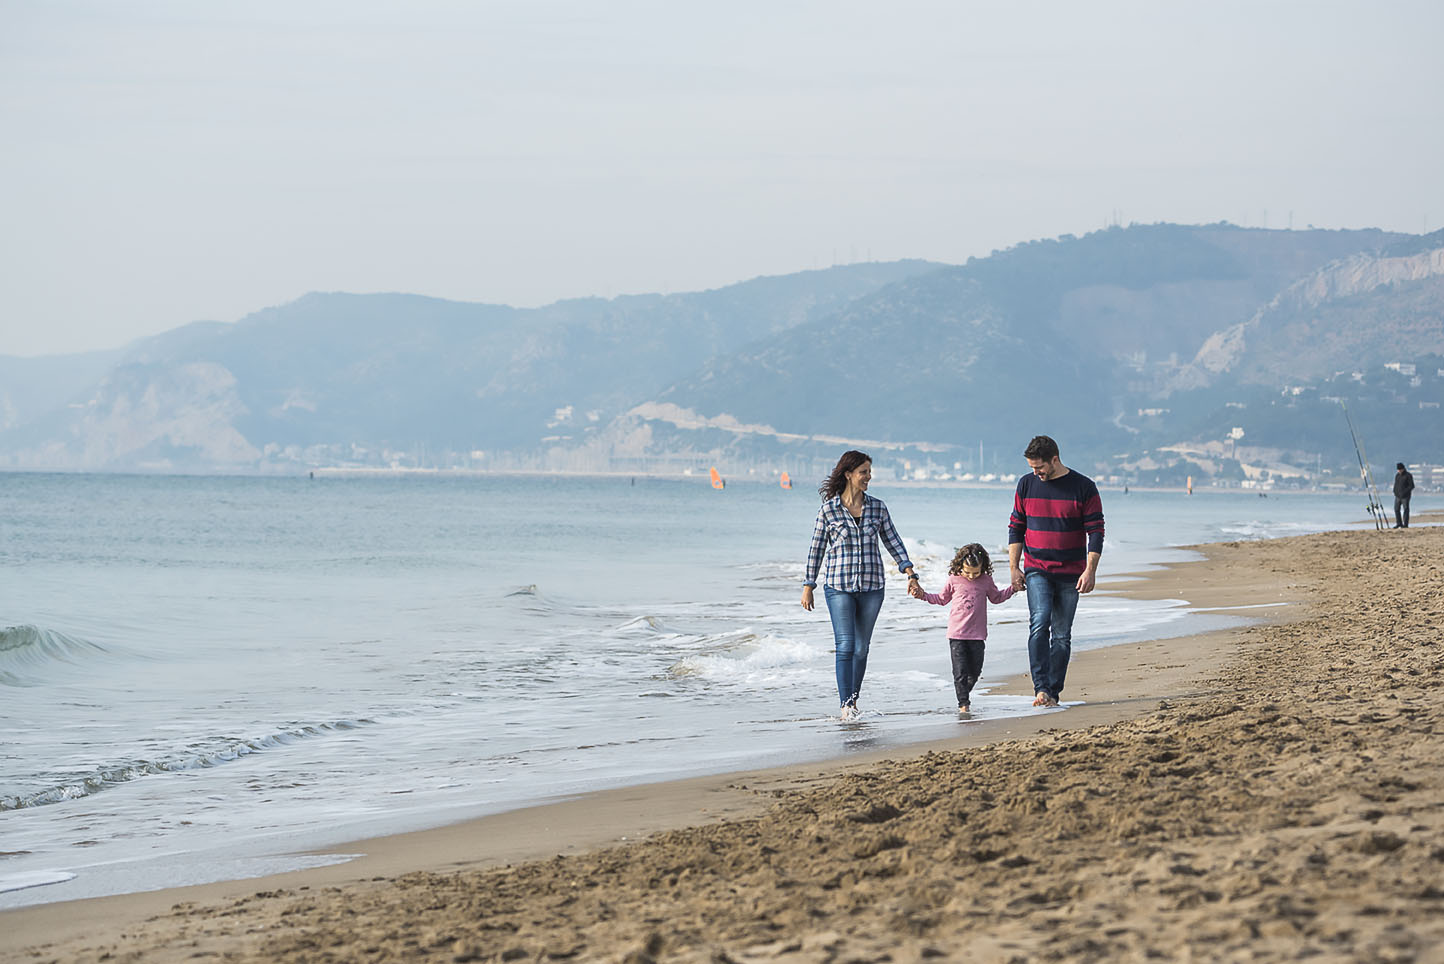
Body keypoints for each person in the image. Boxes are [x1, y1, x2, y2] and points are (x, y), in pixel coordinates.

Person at [801, 450, 917, 720]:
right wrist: (809, 584)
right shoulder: (828, 510)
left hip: (872, 587)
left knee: (862, 648)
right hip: (838, 586)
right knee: (845, 645)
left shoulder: (878, 508)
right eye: (863, 472)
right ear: (848, 474)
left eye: (869, 472)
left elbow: (893, 541)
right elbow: (816, 549)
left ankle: (853, 700)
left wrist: (909, 571)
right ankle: (846, 706)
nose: (868, 477)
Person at [1006, 435, 1104, 708]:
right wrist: (1014, 567)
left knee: (1061, 635)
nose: (1035, 472)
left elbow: (1096, 531)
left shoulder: (1084, 487)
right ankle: (1040, 688)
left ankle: (1053, 692)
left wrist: (1090, 570)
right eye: (1032, 467)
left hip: (1071, 572)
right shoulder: (1026, 484)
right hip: (1036, 567)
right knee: (1039, 623)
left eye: (1039, 467)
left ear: (1055, 459)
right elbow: (1016, 526)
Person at [907, 542, 1016, 714]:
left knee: (975, 672)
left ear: (983, 567)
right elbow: (941, 599)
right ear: (960, 566)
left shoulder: (986, 580)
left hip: (977, 635)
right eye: (967, 572)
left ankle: (963, 693)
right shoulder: (954, 579)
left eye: (976, 572)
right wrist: (923, 595)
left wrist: (1013, 588)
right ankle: (963, 705)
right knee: (960, 672)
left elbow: (996, 598)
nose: (972, 576)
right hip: (957, 634)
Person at [1394, 462, 1415, 529]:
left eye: (1400, 470)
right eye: (1398, 470)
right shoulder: (1397, 476)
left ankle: (1405, 524)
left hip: (1405, 496)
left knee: (1406, 509)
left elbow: (1411, 486)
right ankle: (1399, 523)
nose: (1399, 471)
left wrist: (1405, 492)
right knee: (1396, 509)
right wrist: (1395, 491)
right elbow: (1396, 485)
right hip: (1397, 496)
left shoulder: (1408, 475)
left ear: (1403, 469)